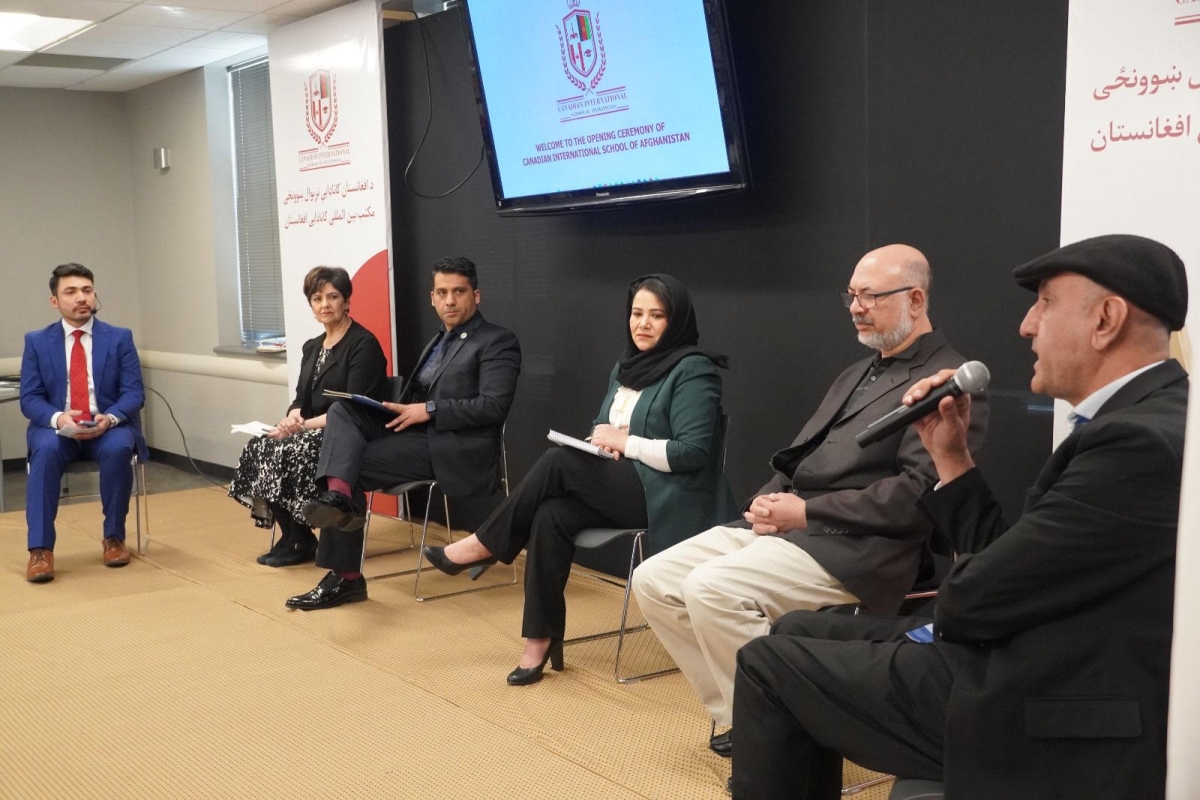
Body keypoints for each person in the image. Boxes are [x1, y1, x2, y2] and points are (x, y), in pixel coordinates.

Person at [731, 234, 1189, 800]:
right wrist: (950, 456)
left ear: (1106, 320)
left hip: (1048, 700)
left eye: (1045, 304)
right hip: (1021, 647)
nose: (1026, 326)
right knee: (796, 628)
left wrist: (962, 590)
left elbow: (974, 597)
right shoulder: (1146, 417)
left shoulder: (1135, 444)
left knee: (767, 664)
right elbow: (1004, 567)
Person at [631, 244, 988, 756]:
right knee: (654, 579)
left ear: (915, 299)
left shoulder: (946, 381)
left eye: (870, 296)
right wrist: (764, 503)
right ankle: (749, 716)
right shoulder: (858, 372)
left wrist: (805, 512)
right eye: (851, 295)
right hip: (793, 527)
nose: (856, 307)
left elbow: (917, 497)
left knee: (710, 590)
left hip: (859, 549)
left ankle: (775, 733)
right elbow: (799, 459)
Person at [424, 274, 737, 685]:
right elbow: (602, 425)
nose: (642, 324)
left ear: (675, 321)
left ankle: (485, 544)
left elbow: (692, 453)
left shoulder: (694, 370)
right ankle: (539, 639)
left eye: (656, 315)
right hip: (624, 485)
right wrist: (599, 443)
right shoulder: (626, 366)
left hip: (671, 495)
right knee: (551, 514)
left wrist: (626, 443)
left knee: (558, 463)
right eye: (636, 313)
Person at [286, 256, 521, 610]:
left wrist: (429, 410)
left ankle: (345, 577)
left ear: (476, 295)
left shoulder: (497, 341)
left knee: (346, 466)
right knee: (343, 410)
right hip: (412, 432)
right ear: (432, 298)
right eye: (442, 292)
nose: (450, 301)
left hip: (452, 445)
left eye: (459, 292)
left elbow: (493, 406)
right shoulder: (439, 339)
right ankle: (338, 503)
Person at [228, 266, 388, 567]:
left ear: (347, 301)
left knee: (292, 449)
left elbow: (353, 408)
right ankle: (295, 535)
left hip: (350, 432)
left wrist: (300, 427)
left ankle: (300, 538)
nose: (325, 304)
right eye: (317, 299)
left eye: (332, 297)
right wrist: (291, 419)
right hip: (313, 428)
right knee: (261, 446)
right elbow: (301, 399)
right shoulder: (312, 347)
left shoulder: (363, 344)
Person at [20, 263, 147, 583]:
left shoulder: (119, 338)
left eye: (87, 290)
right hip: (58, 430)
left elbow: (134, 392)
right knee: (45, 451)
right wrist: (58, 418)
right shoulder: (36, 341)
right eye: (71, 291)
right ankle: (40, 551)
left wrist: (111, 417)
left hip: (107, 427)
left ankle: (114, 538)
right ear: (54, 301)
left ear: (94, 294)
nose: (81, 297)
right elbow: (30, 398)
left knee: (118, 448)